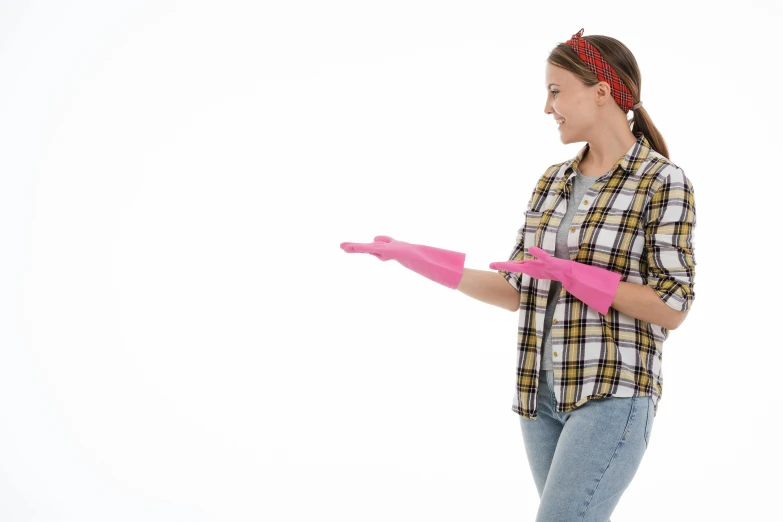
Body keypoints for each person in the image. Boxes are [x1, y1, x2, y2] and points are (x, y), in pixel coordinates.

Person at [340, 27, 696, 522]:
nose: (547, 108)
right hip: (540, 395)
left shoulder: (663, 181)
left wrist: (576, 276)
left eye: (555, 91)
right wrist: (417, 257)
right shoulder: (552, 182)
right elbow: (516, 289)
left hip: (612, 393)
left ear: (601, 91)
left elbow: (672, 305)